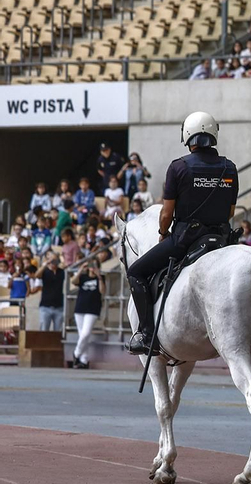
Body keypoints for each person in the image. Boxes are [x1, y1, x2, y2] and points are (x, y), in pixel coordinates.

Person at [125, 111, 238, 355]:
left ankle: (146, 334)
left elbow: (166, 214)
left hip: (186, 239)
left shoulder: (179, 167)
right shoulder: (229, 168)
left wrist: (163, 232)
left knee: (135, 272)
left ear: (188, 136)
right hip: (221, 240)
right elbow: (230, 211)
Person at [69, 259, 102, 369]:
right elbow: (73, 282)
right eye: (91, 266)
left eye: (94, 265)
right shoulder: (83, 277)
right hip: (80, 308)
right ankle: (83, 360)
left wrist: (99, 276)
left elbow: (103, 291)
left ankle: (76, 354)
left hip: (92, 309)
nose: (92, 268)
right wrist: (80, 269)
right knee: (82, 335)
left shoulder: (100, 278)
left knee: (85, 333)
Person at [36, 253, 64, 333]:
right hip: (45, 306)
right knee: (44, 330)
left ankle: (56, 345)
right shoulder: (45, 271)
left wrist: (61, 258)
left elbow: (67, 268)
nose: (53, 262)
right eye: (51, 260)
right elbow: (37, 275)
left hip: (59, 306)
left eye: (54, 260)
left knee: (58, 332)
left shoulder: (61, 272)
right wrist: (46, 264)